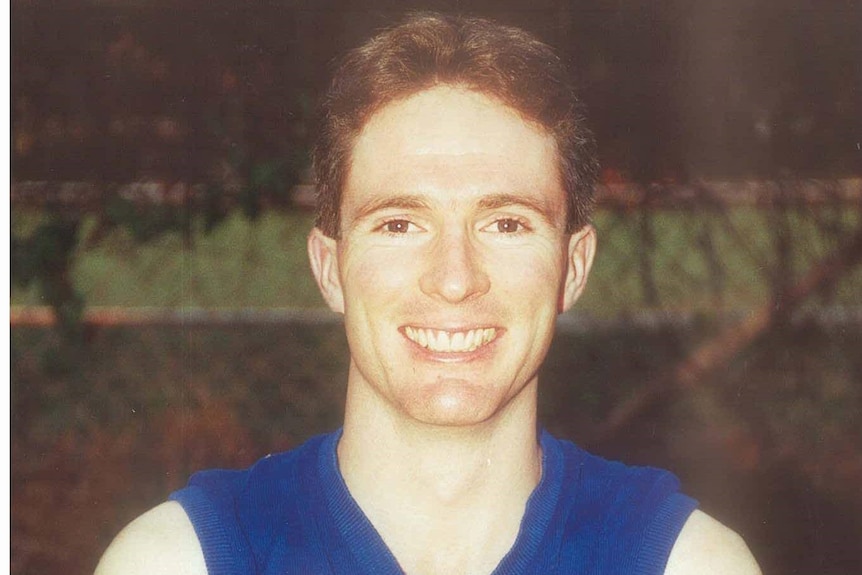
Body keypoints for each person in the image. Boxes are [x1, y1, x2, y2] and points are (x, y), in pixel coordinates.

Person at [96, 12, 761, 575]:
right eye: (399, 223)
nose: (453, 277)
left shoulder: (685, 561)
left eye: (505, 223)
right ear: (330, 267)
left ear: (573, 265)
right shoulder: (181, 559)